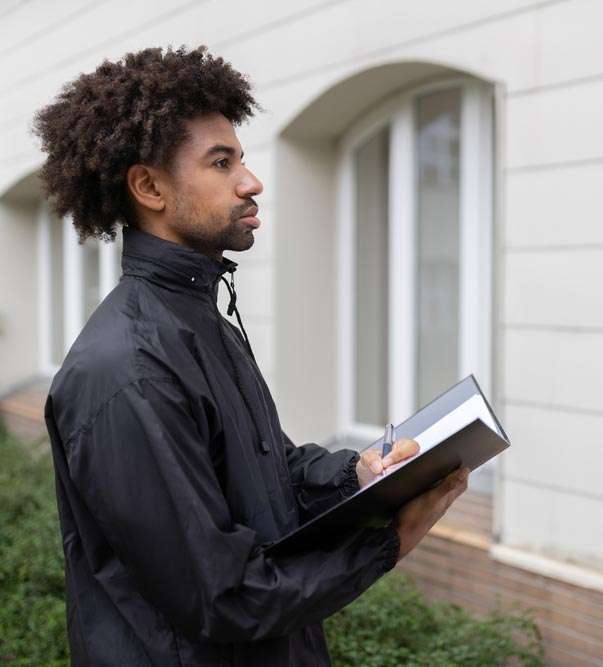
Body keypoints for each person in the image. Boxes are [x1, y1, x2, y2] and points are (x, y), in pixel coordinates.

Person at [34, 45, 469, 666]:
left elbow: (271, 476)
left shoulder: (201, 322)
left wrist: (359, 475)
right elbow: (224, 596)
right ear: (150, 187)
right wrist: (387, 544)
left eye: (240, 158)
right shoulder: (125, 370)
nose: (251, 180)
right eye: (221, 162)